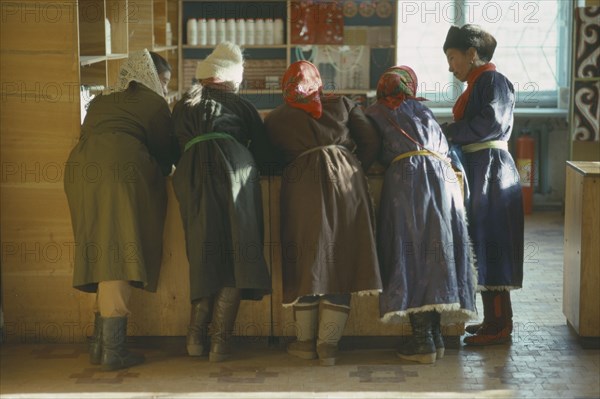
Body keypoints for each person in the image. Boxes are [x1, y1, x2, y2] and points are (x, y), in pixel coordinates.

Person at [64, 50, 177, 371]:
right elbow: (165, 153)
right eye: (164, 82)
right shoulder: (154, 104)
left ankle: (101, 346)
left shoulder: (102, 99)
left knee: (101, 249)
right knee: (119, 251)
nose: (166, 89)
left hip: (81, 170)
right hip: (119, 169)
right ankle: (114, 350)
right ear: (152, 78)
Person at [264, 61, 382, 366]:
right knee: (341, 261)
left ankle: (305, 343)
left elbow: (268, 159)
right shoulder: (342, 103)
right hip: (346, 181)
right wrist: (356, 169)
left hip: (301, 187)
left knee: (306, 261)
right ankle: (328, 346)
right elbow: (371, 140)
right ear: (318, 82)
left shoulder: (277, 118)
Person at [365, 66, 477, 364]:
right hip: (443, 180)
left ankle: (422, 340)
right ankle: (436, 336)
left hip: (409, 180)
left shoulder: (375, 112)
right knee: (437, 254)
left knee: (411, 253)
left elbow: (368, 149)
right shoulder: (424, 111)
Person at [171, 42, 274, 362]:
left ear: (204, 77)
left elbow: (171, 149)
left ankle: (193, 339)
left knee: (203, 251)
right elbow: (267, 155)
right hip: (235, 173)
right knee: (238, 252)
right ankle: (219, 343)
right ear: (230, 80)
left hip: (191, 176)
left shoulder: (182, 104)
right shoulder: (241, 106)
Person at [442, 24, 524, 346]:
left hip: (492, 170)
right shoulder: (478, 83)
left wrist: (448, 132)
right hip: (481, 169)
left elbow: (491, 123)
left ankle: (501, 326)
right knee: (485, 241)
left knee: (494, 242)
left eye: (453, 57)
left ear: (472, 54)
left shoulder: (493, 81)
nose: (450, 67)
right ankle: (492, 320)